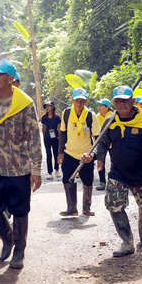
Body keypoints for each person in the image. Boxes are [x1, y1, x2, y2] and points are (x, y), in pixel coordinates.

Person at [0, 59, 42, 269]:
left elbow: (33, 138)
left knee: (20, 210)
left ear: (10, 79)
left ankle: (19, 250)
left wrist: (36, 169)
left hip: (20, 168)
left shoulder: (25, 104)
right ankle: (8, 237)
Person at [83, 85, 142, 256]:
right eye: (118, 101)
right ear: (114, 102)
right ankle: (127, 242)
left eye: (125, 100)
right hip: (118, 172)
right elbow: (103, 142)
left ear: (133, 101)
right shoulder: (110, 121)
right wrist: (98, 158)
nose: (122, 104)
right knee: (113, 205)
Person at [57, 87, 101, 217]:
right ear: (72, 100)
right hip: (70, 153)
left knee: (87, 181)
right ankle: (71, 207)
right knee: (67, 179)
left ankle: (86, 207)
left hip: (86, 155)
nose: (79, 104)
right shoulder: (66, 113)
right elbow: (63, 134)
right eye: (76, 100)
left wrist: (93, 155)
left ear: (86, 101)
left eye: (82, 101)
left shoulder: (90, 116)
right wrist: (60, 152)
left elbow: (98, 139)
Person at [94, 98, 114, 191]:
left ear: (106, 107)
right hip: (101, 143)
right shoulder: (97, 117)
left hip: (113, 142)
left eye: (100, 106)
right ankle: (102, 182)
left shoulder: (113, 116)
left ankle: (114, 181)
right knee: (100, 161)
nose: (99, 107)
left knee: (114, 162)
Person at [41, 101, 61, 180]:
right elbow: (43, 128)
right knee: (48, 155)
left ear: (52, 107)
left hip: (55, 138)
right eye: (46, 106)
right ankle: (50, 172)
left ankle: (57, 170)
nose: (47, 108)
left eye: (49, 106)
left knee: (56, 154)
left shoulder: (57, 117)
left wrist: (59, 137)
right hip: (47, 138)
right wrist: (44, 136)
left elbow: (59, 128)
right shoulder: (44, 117)